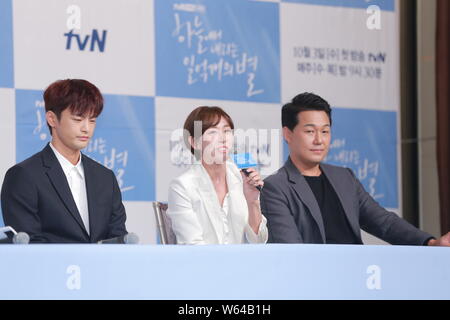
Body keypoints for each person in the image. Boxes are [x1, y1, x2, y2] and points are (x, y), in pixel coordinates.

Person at [260, 92, 450, 246]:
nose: (319, 140)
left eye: (325, 131)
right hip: (314, 284)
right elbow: (292, 251)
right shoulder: (275, 187)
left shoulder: (344, 177)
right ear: (288, 134)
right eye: (310, 131)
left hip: (359, 277)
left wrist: (430, 243)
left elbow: (384, 223)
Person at [1, 79, 127, 243]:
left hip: (101, 268)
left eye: (92, 120)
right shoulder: (23, 176)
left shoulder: (105, 177)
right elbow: (29, 244)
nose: (86, 128)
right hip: (50, 268)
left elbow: (117, 239)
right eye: (77, 119)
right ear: (52, 119)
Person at [167, 106, 268, 244]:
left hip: (245, 264)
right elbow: (192, 246)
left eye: (227, 131)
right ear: (194, 142)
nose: (223, 138)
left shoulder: (243, 179)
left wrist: (252, 202)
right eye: (212, 132)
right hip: (204, 264)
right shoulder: (182, 186)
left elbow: (259, 242)